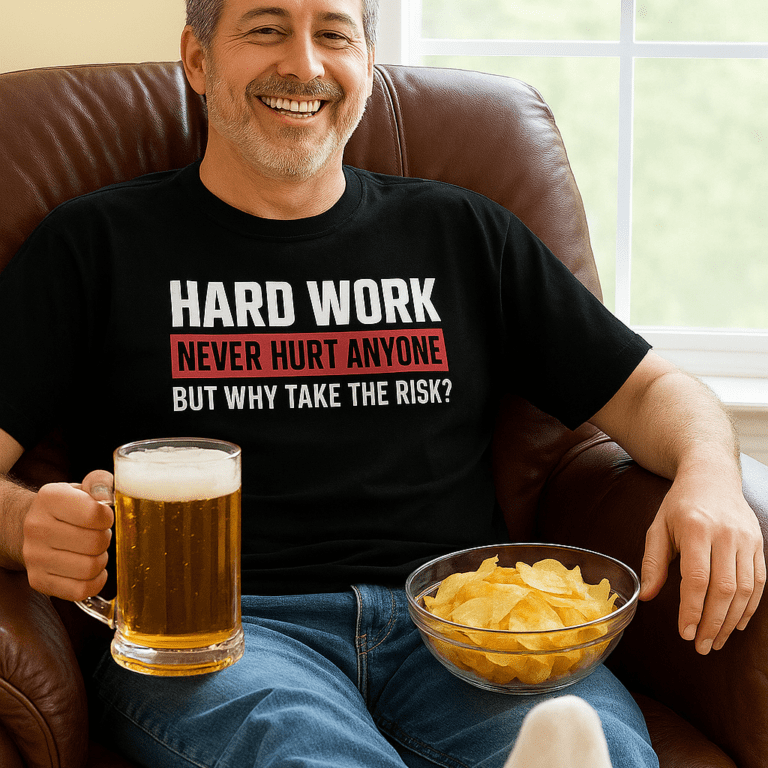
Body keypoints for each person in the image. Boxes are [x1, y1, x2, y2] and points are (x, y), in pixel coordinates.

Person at [0, 0, 763, 765]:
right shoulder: (92, 245)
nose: (304, 64)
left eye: (334, 35)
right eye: (266, 29)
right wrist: (27, 521)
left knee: (596, 750)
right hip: (221, 636)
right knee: (308, 752)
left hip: (460, 627)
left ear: (366, 67)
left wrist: (709, 475)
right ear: (198, 61)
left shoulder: (464, 234)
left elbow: (648, 390)